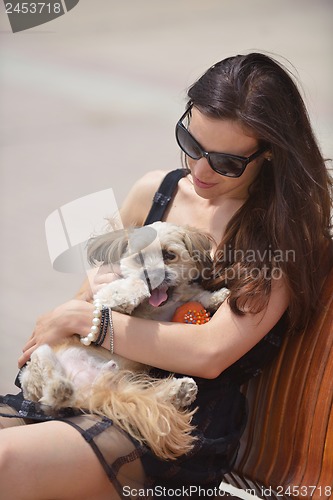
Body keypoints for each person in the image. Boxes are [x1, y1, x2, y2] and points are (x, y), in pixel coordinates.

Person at [0, 52, 332, 500]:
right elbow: (92, 292)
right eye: (191, 144)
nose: (199, 170)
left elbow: (211, 351)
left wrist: (88, 324)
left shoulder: (280, 231)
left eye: (226, 162)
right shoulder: (153, 191)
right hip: (89, 389)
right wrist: (84, 307)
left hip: (171, 426)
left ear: (270, 153)